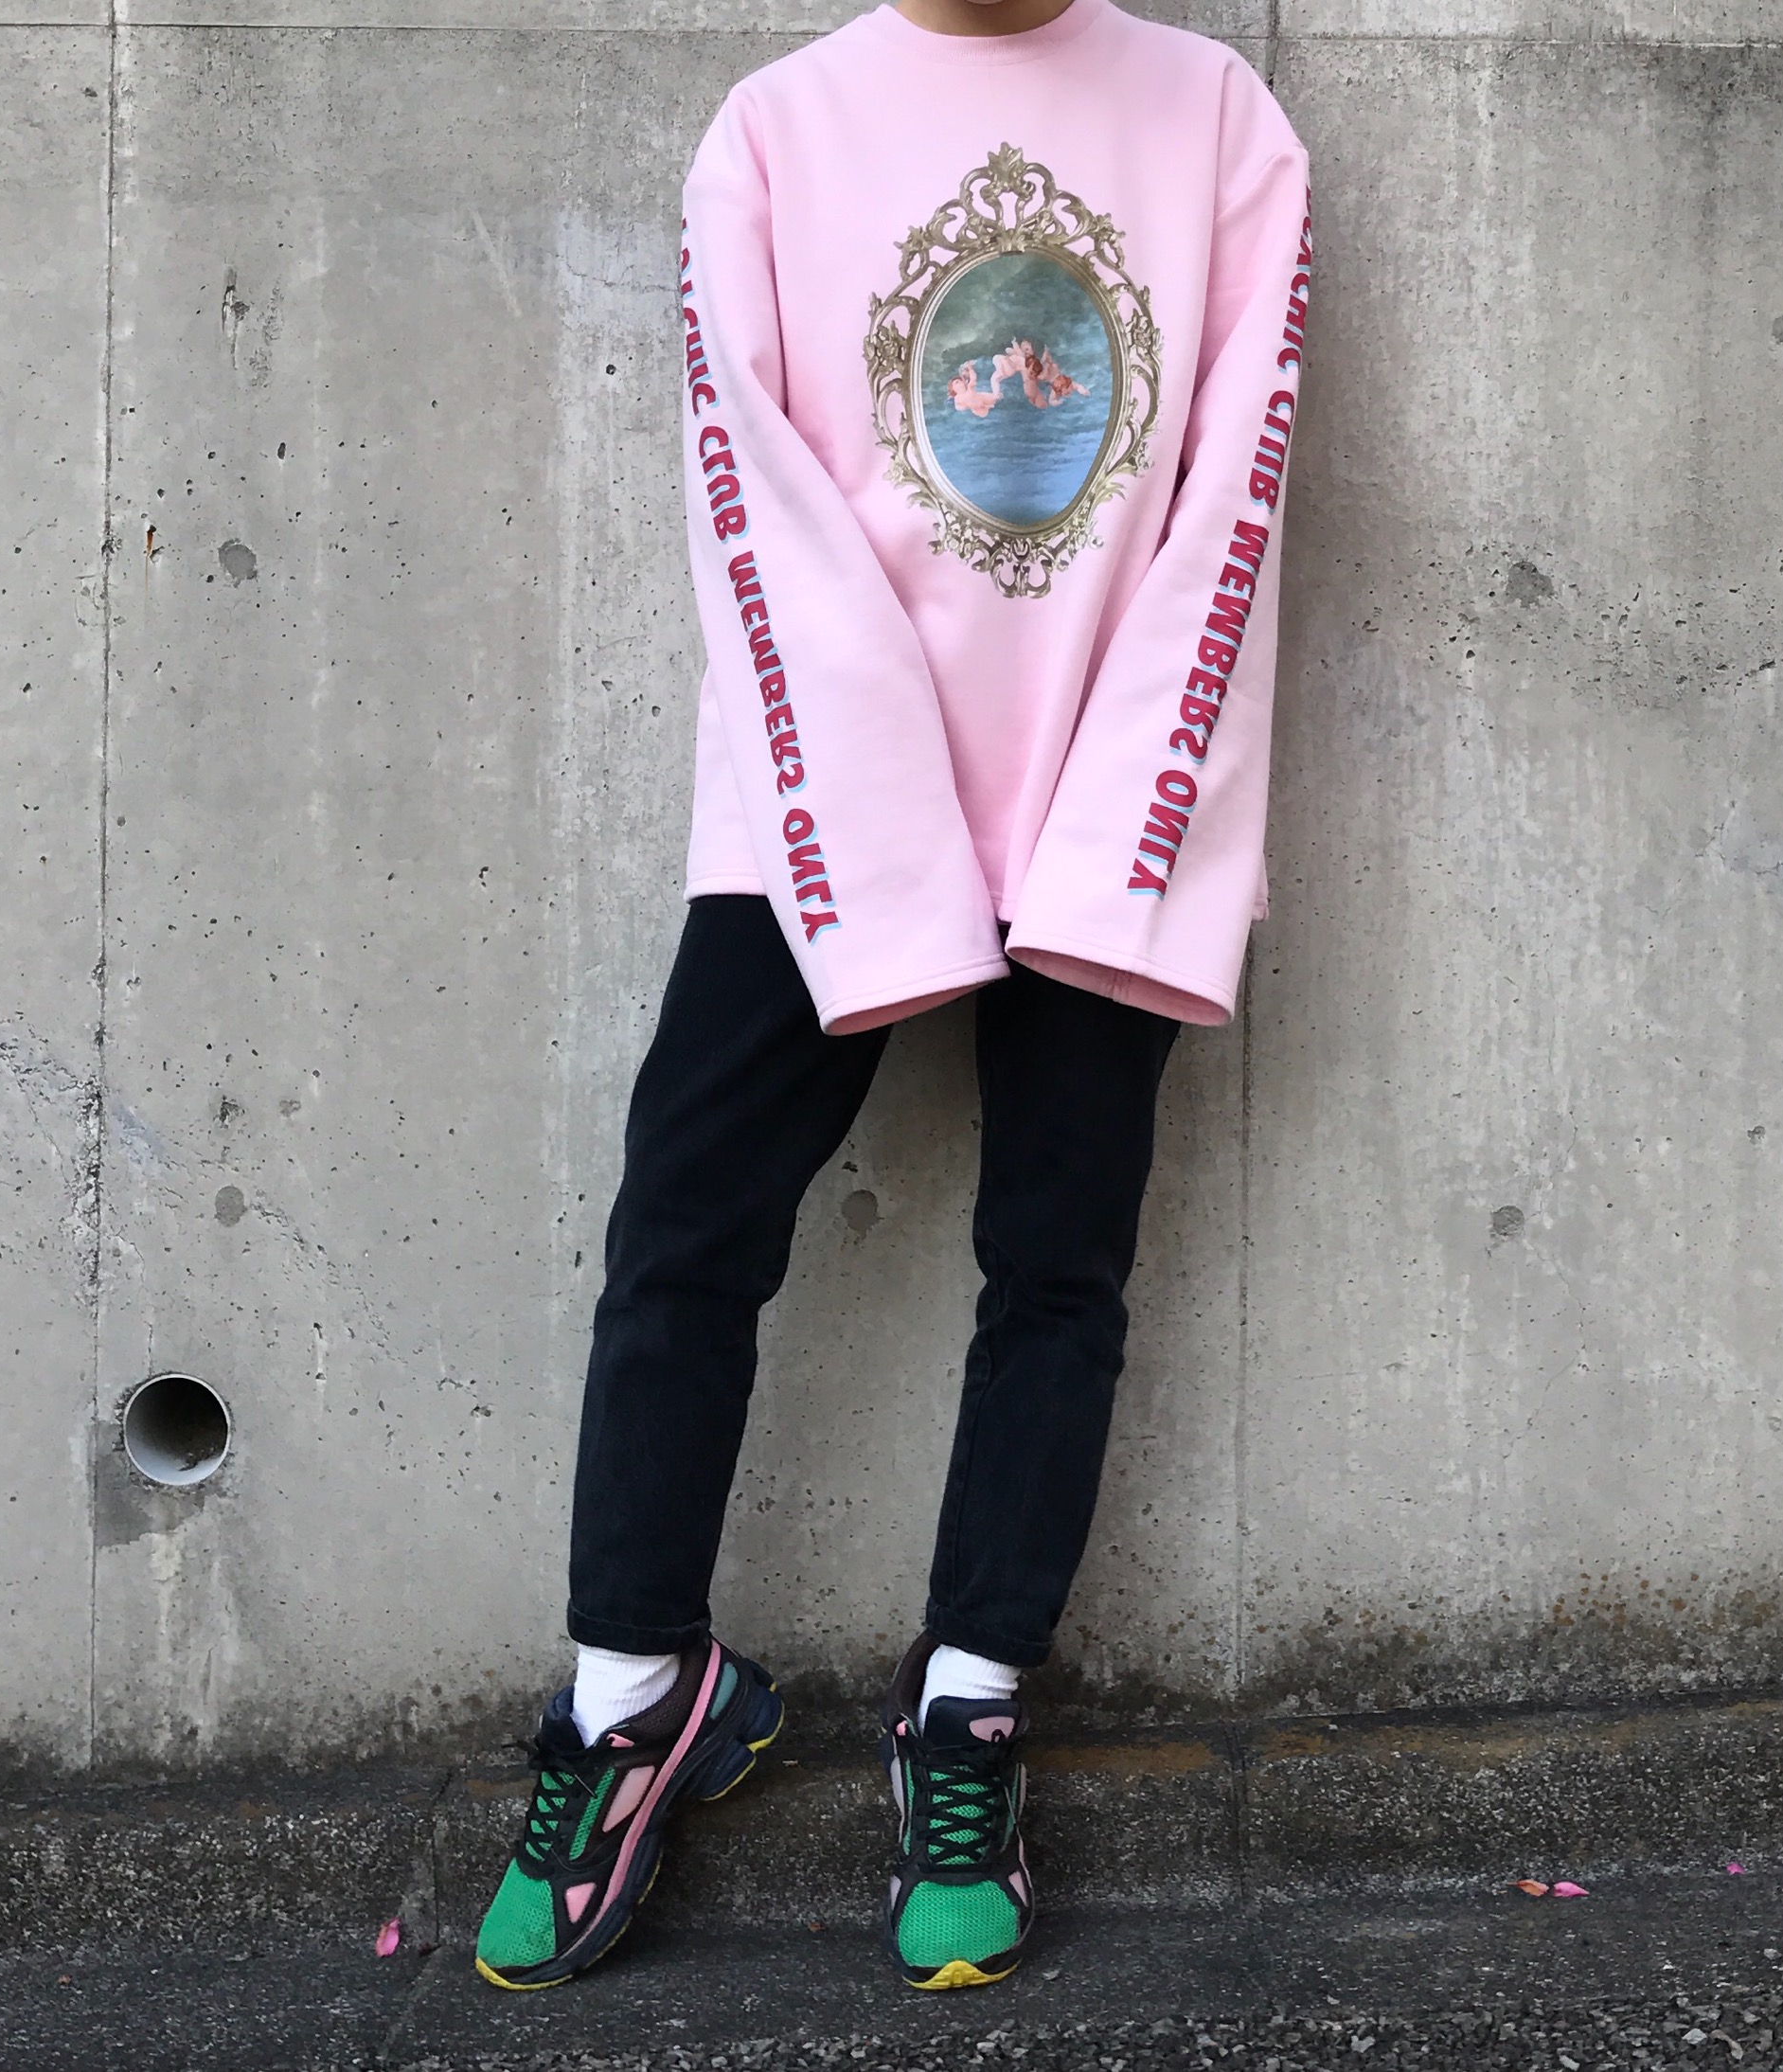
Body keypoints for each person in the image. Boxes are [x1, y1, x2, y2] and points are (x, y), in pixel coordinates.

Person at [474, 0, 1311, 1994]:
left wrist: (1123, 823)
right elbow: (751, 513)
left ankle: (971, 1703)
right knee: (683, 1233)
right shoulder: (774, 131)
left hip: (1109, 785)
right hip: (811, 794)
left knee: (1059, 1262)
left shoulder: (1218, 119)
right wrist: (884, 839)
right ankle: (632, 1694)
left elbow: (1234, 500)